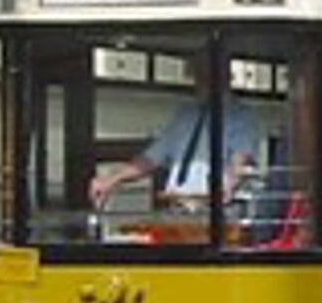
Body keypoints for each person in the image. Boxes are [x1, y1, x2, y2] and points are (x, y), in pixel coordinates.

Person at [89, 62, 265, 209]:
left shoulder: (242, 116)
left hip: (216, 213)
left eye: (208, 73)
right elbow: (151, 158)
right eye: (198, 74)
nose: (201, 80)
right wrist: (112, 179)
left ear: (226, 76)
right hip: (177, 208)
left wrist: (228, 183)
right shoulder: (185, 115)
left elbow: (240, 159)